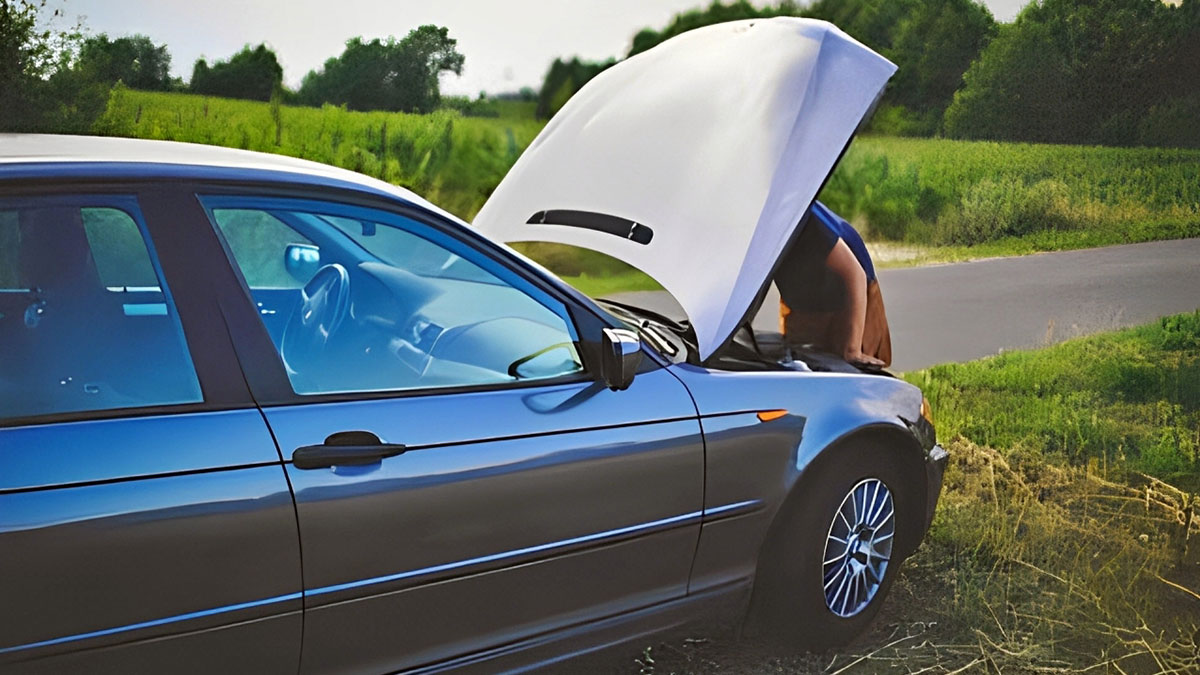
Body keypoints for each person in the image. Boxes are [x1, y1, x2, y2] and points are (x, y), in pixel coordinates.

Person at [774, 201, 892, 367]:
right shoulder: (758, 222)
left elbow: (855, 274)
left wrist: (853, 350)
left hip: (853, 305)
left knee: (850, 371)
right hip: (802, 304)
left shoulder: (804, 219)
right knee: (798, 368)